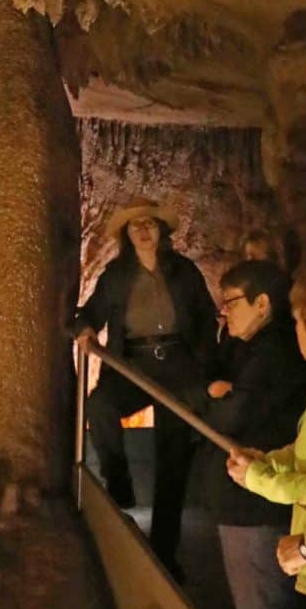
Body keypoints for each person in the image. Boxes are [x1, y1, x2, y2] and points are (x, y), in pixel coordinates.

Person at [73, 201, 217, 571]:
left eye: (150, 223)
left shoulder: (183, 271)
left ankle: (165, 554)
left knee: (173, 460)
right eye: (136, 225)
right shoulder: (117, 275)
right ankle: (118, 478)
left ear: (161, 231)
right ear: (128, 233)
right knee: (101, 405)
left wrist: (202, 370)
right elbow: (90, 312)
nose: (143, 230)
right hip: (132, 365)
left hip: (178, 366)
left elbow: (205, 319)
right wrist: (86, 329)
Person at [199, 261, 306, 609]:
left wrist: (259, 475)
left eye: (232, 302)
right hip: (279, 521)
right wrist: (269, 461)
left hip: (265, 517)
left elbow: (230, 415)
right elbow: (301, 450)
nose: (225, 313)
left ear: (264, 304)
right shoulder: (256, 350)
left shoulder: (273, 354)